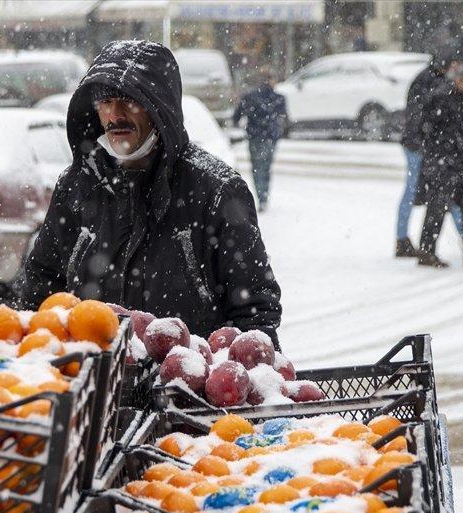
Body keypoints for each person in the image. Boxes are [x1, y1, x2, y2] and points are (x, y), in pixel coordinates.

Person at [19, 40, 283, 345]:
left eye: (129, 100)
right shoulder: (78, 186)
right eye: (106, 101)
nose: (115, 114)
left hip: (183, 387)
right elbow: (41, 293)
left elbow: (255, 316)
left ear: (159, 106)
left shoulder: (217, 190)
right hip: (93, 383)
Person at [414, 62, 463, 267]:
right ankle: (427, 251)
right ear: (462, 79)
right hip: (442, 163)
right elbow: (427, 129)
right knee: (437, 208)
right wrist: (442, 153)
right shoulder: (441, 98)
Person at [395, 46, 463, 259]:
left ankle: (402, 239)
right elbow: (420, 115)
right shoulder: (431, 82)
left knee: (433, 192)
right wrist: (426, 140)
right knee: (433, 191)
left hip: (423, 145)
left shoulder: (431, 80)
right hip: (420, 146)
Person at [232, 71, 288, 209]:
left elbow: (236, 116)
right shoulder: (279, 98)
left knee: (257, 166)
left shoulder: (249, 97)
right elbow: (285, 117)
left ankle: (261, 195)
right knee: (266, 166)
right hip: (270, 136)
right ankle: (263, 196)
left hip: (255, 136)